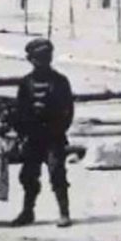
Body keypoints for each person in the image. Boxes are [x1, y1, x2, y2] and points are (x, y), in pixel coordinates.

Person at [12, 38, 74, 228]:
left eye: (46, 57)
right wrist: (22, 132)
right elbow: (19, 110)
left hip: (54, 137)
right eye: (38, 58)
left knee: (57, 172)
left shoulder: (61, 81)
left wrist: (58, 129)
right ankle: (27, 212)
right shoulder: (25, 83)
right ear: (30, 59)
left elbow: (68, 110)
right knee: (28, 175)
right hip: (32, 137)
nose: (43, 61)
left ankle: (64, 213)